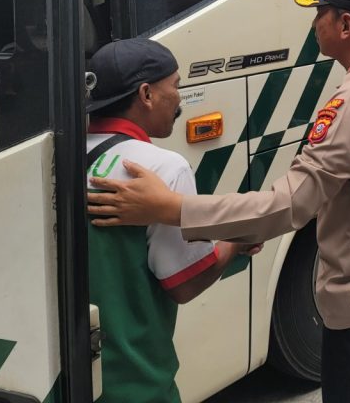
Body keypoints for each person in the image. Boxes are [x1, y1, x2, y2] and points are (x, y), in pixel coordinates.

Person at [87, 0, 350, 403]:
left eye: (319, 12)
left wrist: (171, 209)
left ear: (346, 24)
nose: (313, 23)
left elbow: (290, 204)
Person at [85, 38, 258, 403]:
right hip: (139, 381)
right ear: (146, 94)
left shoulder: (57, 154)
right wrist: (236, 242)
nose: (180, 98)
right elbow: (185, 284)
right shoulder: (164, 167)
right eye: (176, 86)